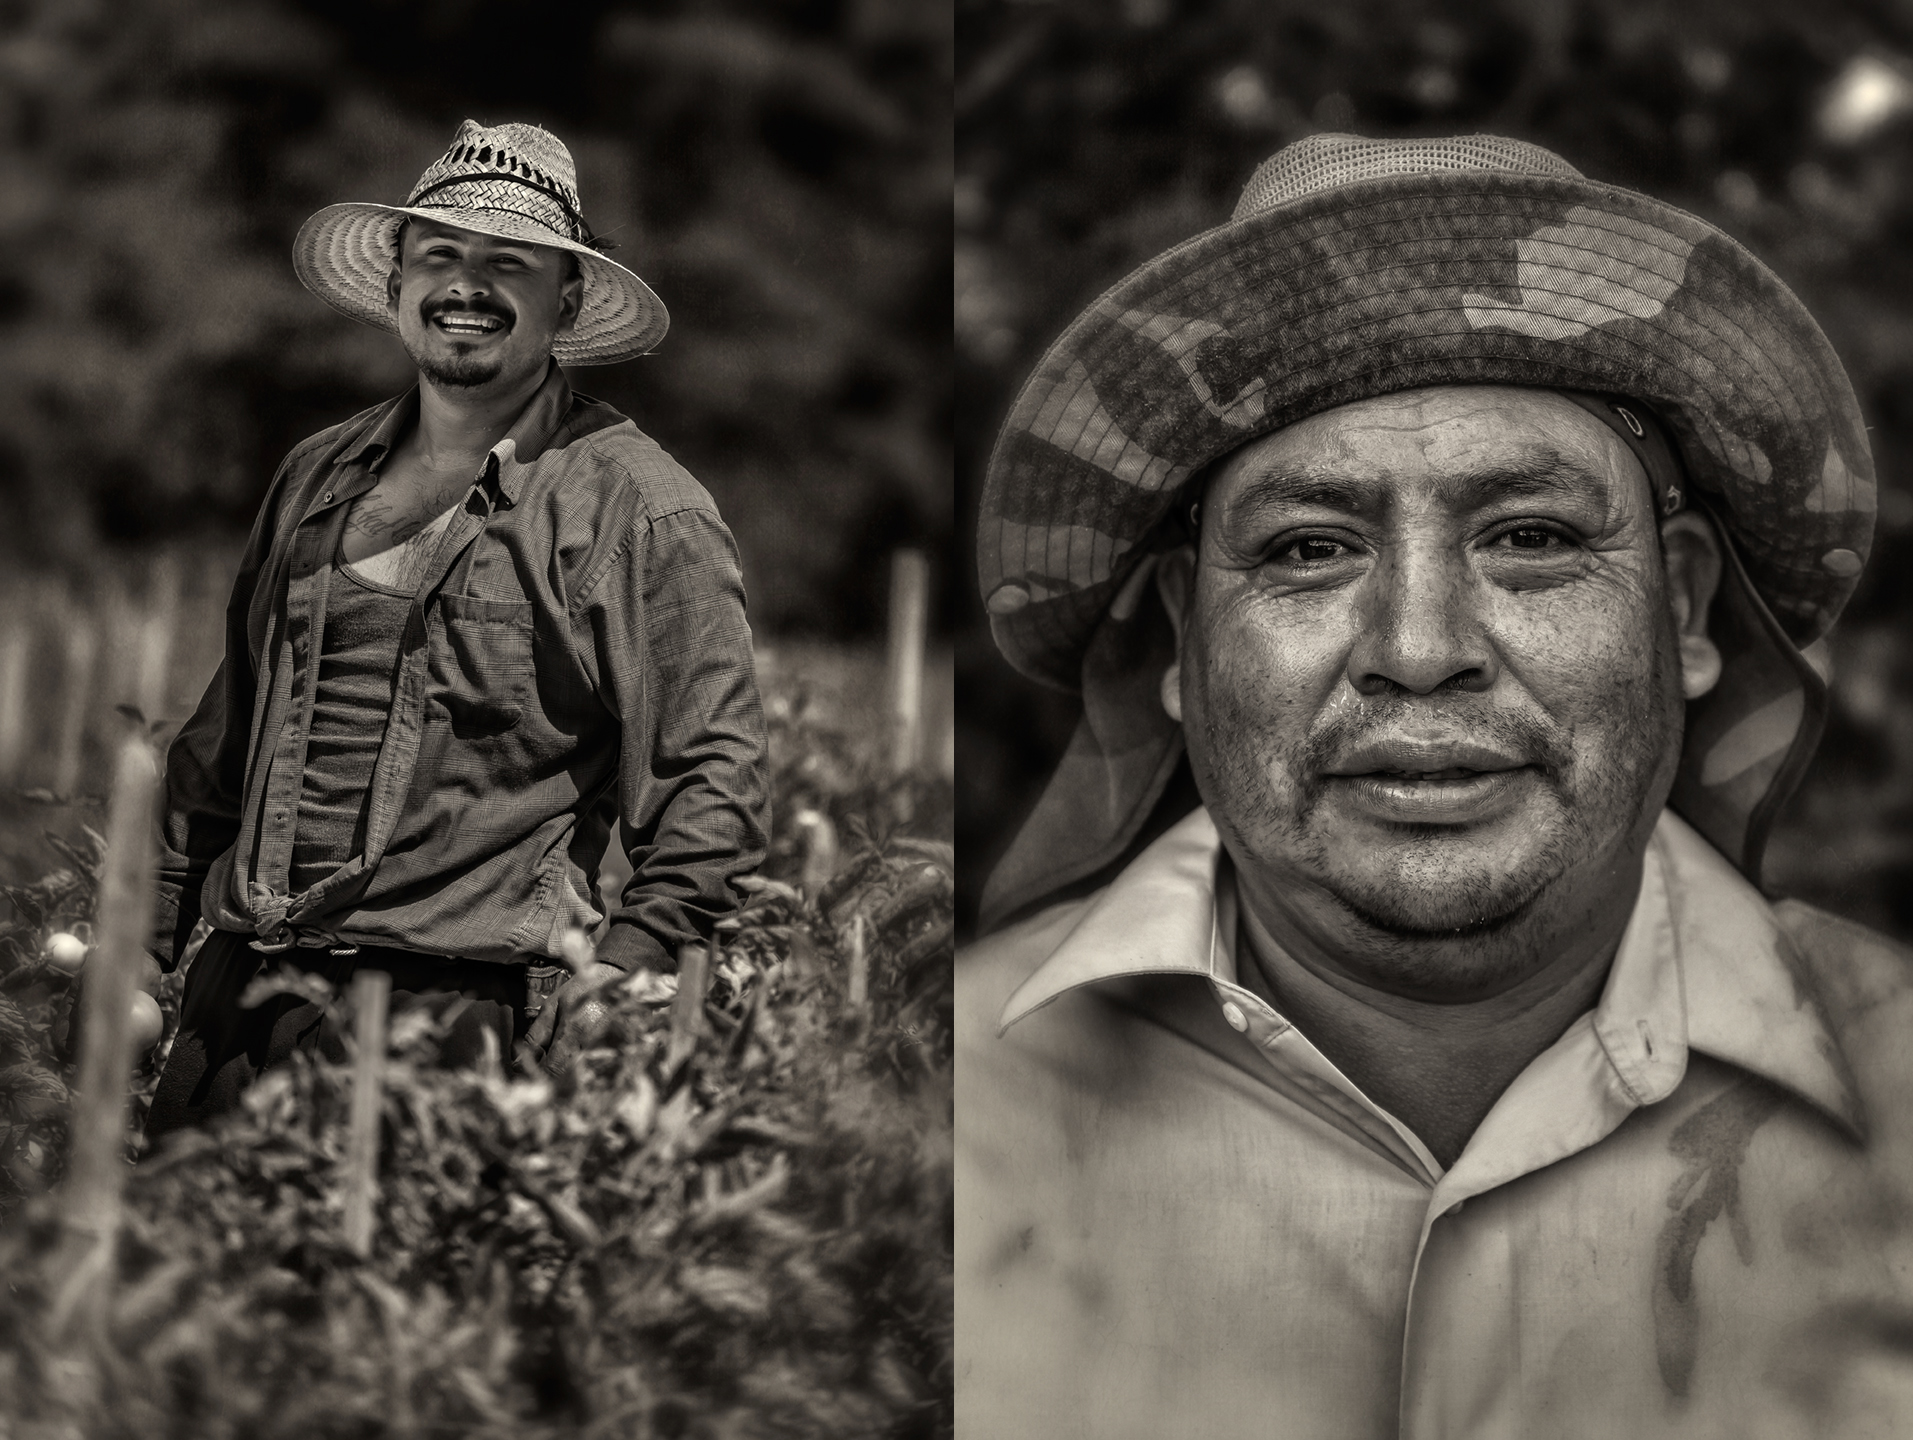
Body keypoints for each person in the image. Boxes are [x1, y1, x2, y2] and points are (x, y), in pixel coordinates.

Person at [957, 133, 1913, 1437]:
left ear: (1683, 605)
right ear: (1181, 635)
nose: (1418, 650)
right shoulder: (934, 1107)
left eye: (1529, 537)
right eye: (1306, 547)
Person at [144, 121, 769, 1135]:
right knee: (179, 1288)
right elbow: (223, 746)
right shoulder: (315, 474)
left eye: (506, 264)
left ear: (564, 300)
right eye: (439, 254)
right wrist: (142, 950)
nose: (465, 285)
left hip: (450, 1025)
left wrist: (619, 986)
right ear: (396, 282)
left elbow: (714, 786)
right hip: (237, 1004)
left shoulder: (639, 511)